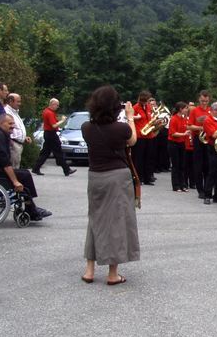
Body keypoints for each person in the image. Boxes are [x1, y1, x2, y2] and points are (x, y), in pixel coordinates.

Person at [81, 85, 140, 286]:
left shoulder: (86, 128)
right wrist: (131, 117)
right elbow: (132, 140)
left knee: (95, 219)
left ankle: (89, 269)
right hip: (116, 177)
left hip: (94, 177)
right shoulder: (121, 128)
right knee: (116, 221)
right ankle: (112, 273)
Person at [0, 113, 52, 221]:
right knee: (24, 176)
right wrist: (15, 182)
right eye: (10, 123)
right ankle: (31, 209)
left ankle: (30, 207)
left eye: (13, 123)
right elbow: (5, 161)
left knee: (25, 173)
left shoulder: (0, 134)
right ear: (1, 123)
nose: (13, 126)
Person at [32, 98, 76, 177]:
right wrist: (62, 120)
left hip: (48, 134)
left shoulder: (47, 111)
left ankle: (36, 168)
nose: (58, 107)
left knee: (45, 152)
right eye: (57, 105)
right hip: (51, 134)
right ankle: (67, 169)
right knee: (58, 152)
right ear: (52, 104)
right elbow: (54, 125)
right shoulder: (49, 113)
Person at [187, 90, 212, 198]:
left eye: (206, 101)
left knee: (208, 165)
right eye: (202, 101)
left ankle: (207, 189)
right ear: (199, 99)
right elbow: (189, 126)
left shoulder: (211, 111)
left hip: (209, 139)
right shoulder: (194, 111)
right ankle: (200, 190)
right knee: (198, 165)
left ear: (209, 100)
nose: (204, 103)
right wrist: (201, 127)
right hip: (198, 138)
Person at [131, 91, 156, 185]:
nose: (147, 103)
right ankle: (139, 178)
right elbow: (129, 117)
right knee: (139, 158)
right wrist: (135, 117)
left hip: (149, 136)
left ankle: (147, 178)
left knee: (149, 158)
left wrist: (155, 122)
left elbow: (149, 119)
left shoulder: (149, 107)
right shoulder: (135, 107)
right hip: (140, 135)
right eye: (145, 101)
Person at [4, 93, 33, 169]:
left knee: (16, 166)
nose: (20, 104)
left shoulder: (15, 112)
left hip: (18, 144)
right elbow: (6, 128)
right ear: (10, 101)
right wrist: (9, 139)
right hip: (13, 144)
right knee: (13, 168)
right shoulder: (6, 112)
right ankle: (12, 181)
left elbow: (16, 128)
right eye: (18, 101)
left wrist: (24, 137)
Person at [167, 101, 189, 192]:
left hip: (181, 143)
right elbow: (173, 133)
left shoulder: (184, 119)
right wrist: (184, 134)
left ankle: (183, 184)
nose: (187, 110)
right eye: (185, 108)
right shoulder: (174, 119)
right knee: (175, 165)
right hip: (174, 144)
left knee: (182, 165)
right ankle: (176, 185)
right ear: (180, 109)